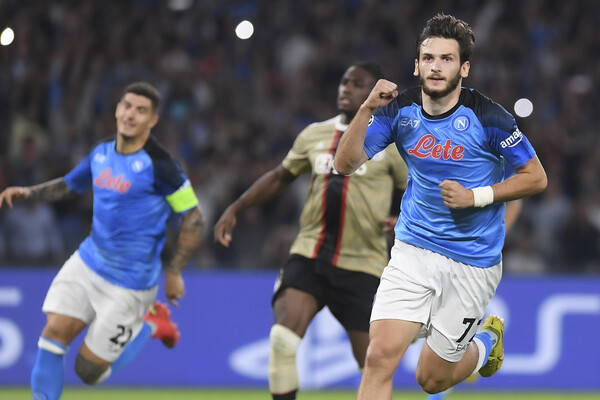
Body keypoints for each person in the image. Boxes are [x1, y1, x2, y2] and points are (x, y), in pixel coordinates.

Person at [333, 13, 547, 399]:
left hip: (472, 261)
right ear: (416, 65)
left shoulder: (489, 117)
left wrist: (475, 197)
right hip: (413, 250)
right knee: (378, 357)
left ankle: (485, 345)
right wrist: (365, 110)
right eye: (428, 58)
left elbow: (536, 177)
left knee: (430, 379)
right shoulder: (399, 111)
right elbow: (344, 164)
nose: (436, 66)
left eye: (447, 59)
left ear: (464, 68)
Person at [213, 62, 408, 400]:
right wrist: (236, 207)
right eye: (344, 81)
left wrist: (401, 218)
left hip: (363, 264)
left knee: (373, 368)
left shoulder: (390, 143)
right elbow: (280, 176)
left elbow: (415, 189)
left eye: (357, 83)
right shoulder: (314, 134)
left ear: (375, 93)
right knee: (282, 341)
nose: (346, 88)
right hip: (310, 255)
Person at [0, 82, 204, 400]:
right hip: (89, 261)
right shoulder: (101, 152)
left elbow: (193, 216)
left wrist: (175, 271)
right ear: (117, 110)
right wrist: (29, 193)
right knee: (53, 334)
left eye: (141, 111)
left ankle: (152, 325)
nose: (131, 115)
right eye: (127, 106)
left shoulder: (162, 166)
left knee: (88, 372)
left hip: (130, 284)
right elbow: (71, 185)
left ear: (152, 121)